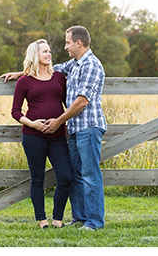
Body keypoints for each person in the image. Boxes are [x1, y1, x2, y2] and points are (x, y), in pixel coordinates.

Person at [12, 39, 75, 231]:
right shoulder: (24, 81)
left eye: (49, 51)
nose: (49, 54)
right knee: (37, 178)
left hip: (57, 136)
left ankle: (58, 218)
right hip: (33, 136)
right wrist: (33, 124)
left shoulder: (58, 78)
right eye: (44, 52)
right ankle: (42, 220)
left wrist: (60, 122)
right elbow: (15, 112)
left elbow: (67, 105)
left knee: (66, 176)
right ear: (35, 55)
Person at [63, 25, 106, 235]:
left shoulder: (91, 65)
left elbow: (81, 102)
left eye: (68, 42)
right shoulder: (75, 64)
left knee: (90, 175)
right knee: (75, 175)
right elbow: (51, 69)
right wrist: (23, 73)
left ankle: (95, 221)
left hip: (88, 128)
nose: (65, 47)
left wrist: (58, 121)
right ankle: (80, 217)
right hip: (74, 129)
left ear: (78, 43)